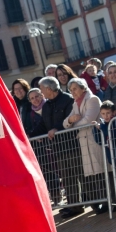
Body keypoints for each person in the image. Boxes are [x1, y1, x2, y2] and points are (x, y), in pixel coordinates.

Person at [39, 76, 84, 217]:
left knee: (81, 175)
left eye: (41, 90)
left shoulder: (68, 100)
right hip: (58, 148)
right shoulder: (46, 106)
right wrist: (29, 134)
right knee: (67, 178)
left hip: (72, 144)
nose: (41, 93)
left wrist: (56, 129)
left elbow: (69, 119)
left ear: (48, 89)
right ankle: (74, 206)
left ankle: (93, 201)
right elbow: (43, 124)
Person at [63, 78, 109, 214]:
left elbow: (88, 120)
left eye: (75, 89)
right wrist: (70, 120)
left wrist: (73, 124)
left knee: (103, 171)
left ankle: (110, 201)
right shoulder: (75, 104)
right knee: (94, 175)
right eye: (70, 90)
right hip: (84, 141)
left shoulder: (92, 99)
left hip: (95, 139)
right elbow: (65, 123)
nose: (73, 92)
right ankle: (102, 202)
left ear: (83, 88)